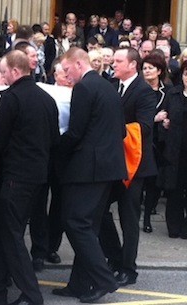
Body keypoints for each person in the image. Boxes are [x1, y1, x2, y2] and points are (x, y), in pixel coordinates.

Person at [0, 51, 59, 305]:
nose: (3, 75)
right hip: (37, 177)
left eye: (4, 71)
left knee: (10, 236)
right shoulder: (47, 99)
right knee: (6, 233)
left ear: (15, 71)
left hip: (15, 177)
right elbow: (54, 138)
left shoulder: (11, 98)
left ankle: (32, 294)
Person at [51, 47, 126, 303]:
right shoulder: (107, 87)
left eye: (67, 69)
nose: (66, 75)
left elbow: (76, 132)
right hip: (107, 167)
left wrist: (54, 147)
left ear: (78, 64)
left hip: (88, 168)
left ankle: (103, 279)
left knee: (75, 222)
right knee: (88, 226)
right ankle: (79, 284)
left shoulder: (84, 88)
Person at [99, 47, 156, 288]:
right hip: (114, 162)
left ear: (133, 65)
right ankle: (115, 257)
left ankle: (128, 269)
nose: (114, 64)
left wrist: (113, 129)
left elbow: (144, 127)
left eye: (119, 61)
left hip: (135, 165)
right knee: (99, 211)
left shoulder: (144, 91)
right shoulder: (112, 86)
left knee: (129, 218)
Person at [160, 58, 187, 239]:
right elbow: (165, 115)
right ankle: (173, 225)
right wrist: (164, 121)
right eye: (186, 74)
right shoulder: (173, 94)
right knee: (174, 189)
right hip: (174, 149)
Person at [140, 53, 171, 234]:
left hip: (159, 141)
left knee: (154, 181)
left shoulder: (168, 91)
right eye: (144, 68)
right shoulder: (138, 89)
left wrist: (168, 120)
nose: (147, 71)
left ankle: (147, 218)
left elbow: (172, 110)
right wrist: (154, 118)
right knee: (139, 181)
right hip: (141, 139)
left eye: (151, 68)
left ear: (159, 71)